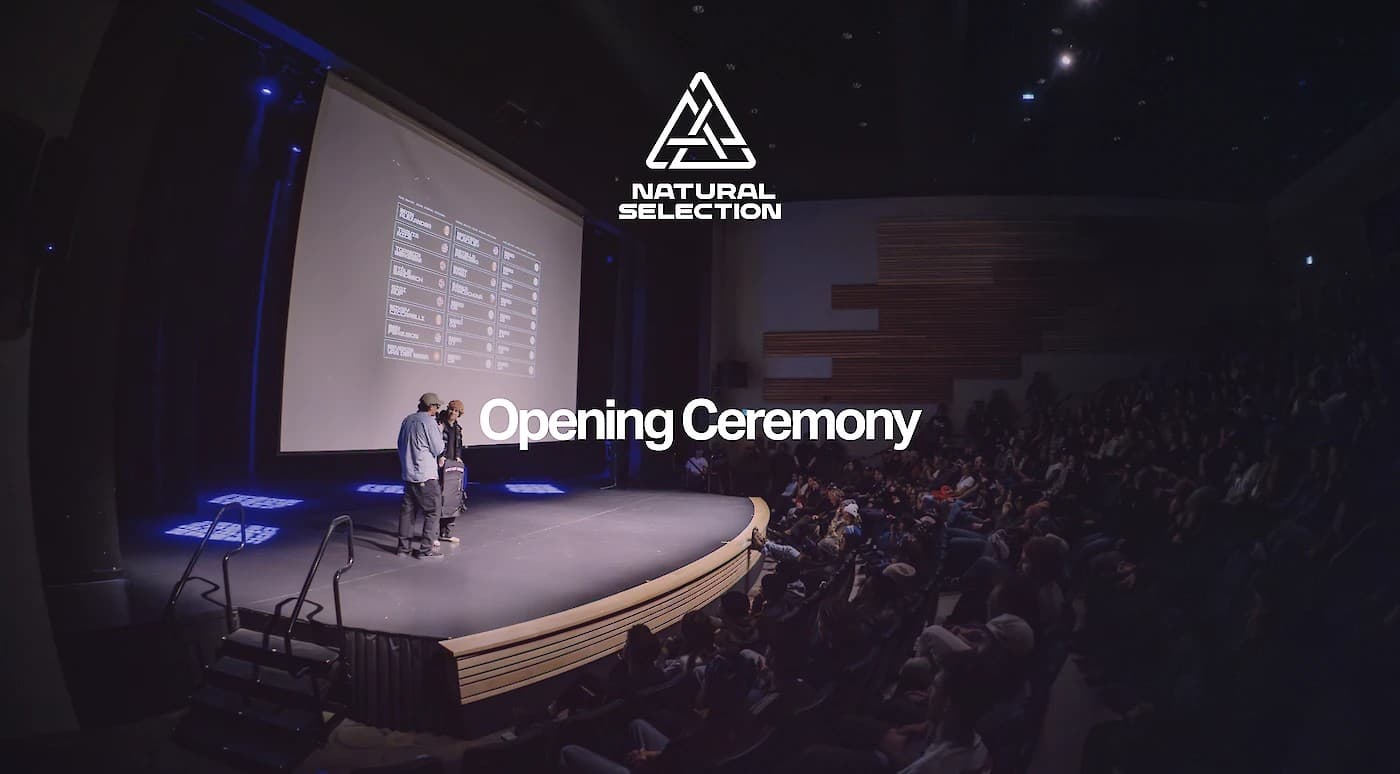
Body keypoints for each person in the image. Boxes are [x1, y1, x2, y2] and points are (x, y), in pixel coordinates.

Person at [397, 392, 445, 558]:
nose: (438, 409)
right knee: (433, 511)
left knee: (407, 513)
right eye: (437, 406)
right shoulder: (429, 422)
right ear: (431, 407)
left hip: (408, 474)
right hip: (425, 475)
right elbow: (438, 448)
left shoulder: (407, 420)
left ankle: (403, 549)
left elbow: (400, 444)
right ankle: (425, 550)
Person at [436, 399, 467, 544]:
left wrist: (459, 457)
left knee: (453, 498)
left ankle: (446, 533)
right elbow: (437, 443)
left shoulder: (458, 428)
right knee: (439, 500)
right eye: (451, 409)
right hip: (441, 466)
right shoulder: (440, 424)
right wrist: (440, 457)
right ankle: (434, 534)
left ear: (459, 413)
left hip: (453, 467)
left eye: (456, 411)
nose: (452, 413)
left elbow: (459, 445)